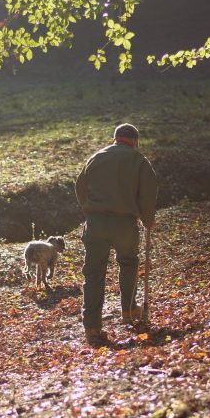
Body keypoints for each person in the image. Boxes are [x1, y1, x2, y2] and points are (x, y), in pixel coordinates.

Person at [75, 123, 157, 347]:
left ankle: (92, 326)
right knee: (129, 263)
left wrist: (89, 208)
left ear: (115, 138)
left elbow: (80, 186)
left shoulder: (96, 157)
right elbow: (148, 194)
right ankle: (129, 310)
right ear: (135, 141)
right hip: (124, 224)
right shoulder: (139, 160)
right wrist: (147, 219)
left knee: (93, 274)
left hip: (96, 223)